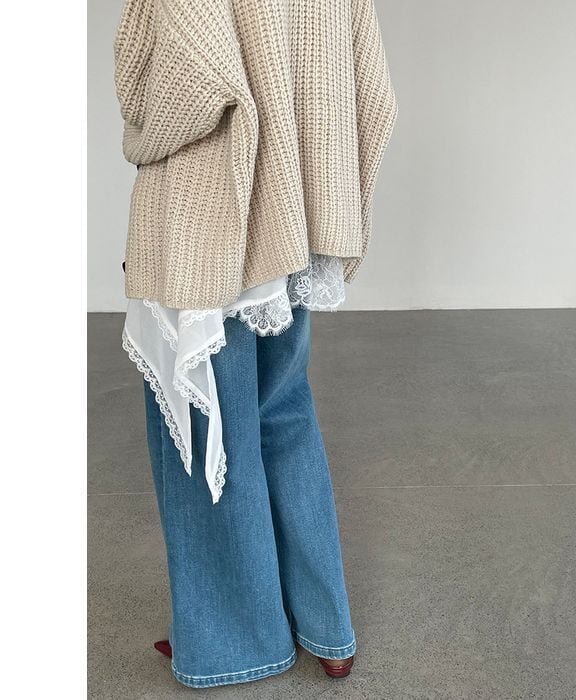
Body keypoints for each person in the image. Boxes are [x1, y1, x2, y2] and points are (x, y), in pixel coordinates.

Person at [114, 0, 397, 688]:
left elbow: (181, 82)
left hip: (213, 221)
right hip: (299, 218)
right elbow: (376, 97)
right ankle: (327, 629)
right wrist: (328, 195)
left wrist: (139, 135)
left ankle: (235, 643)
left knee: (207, 429)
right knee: (284, 414)